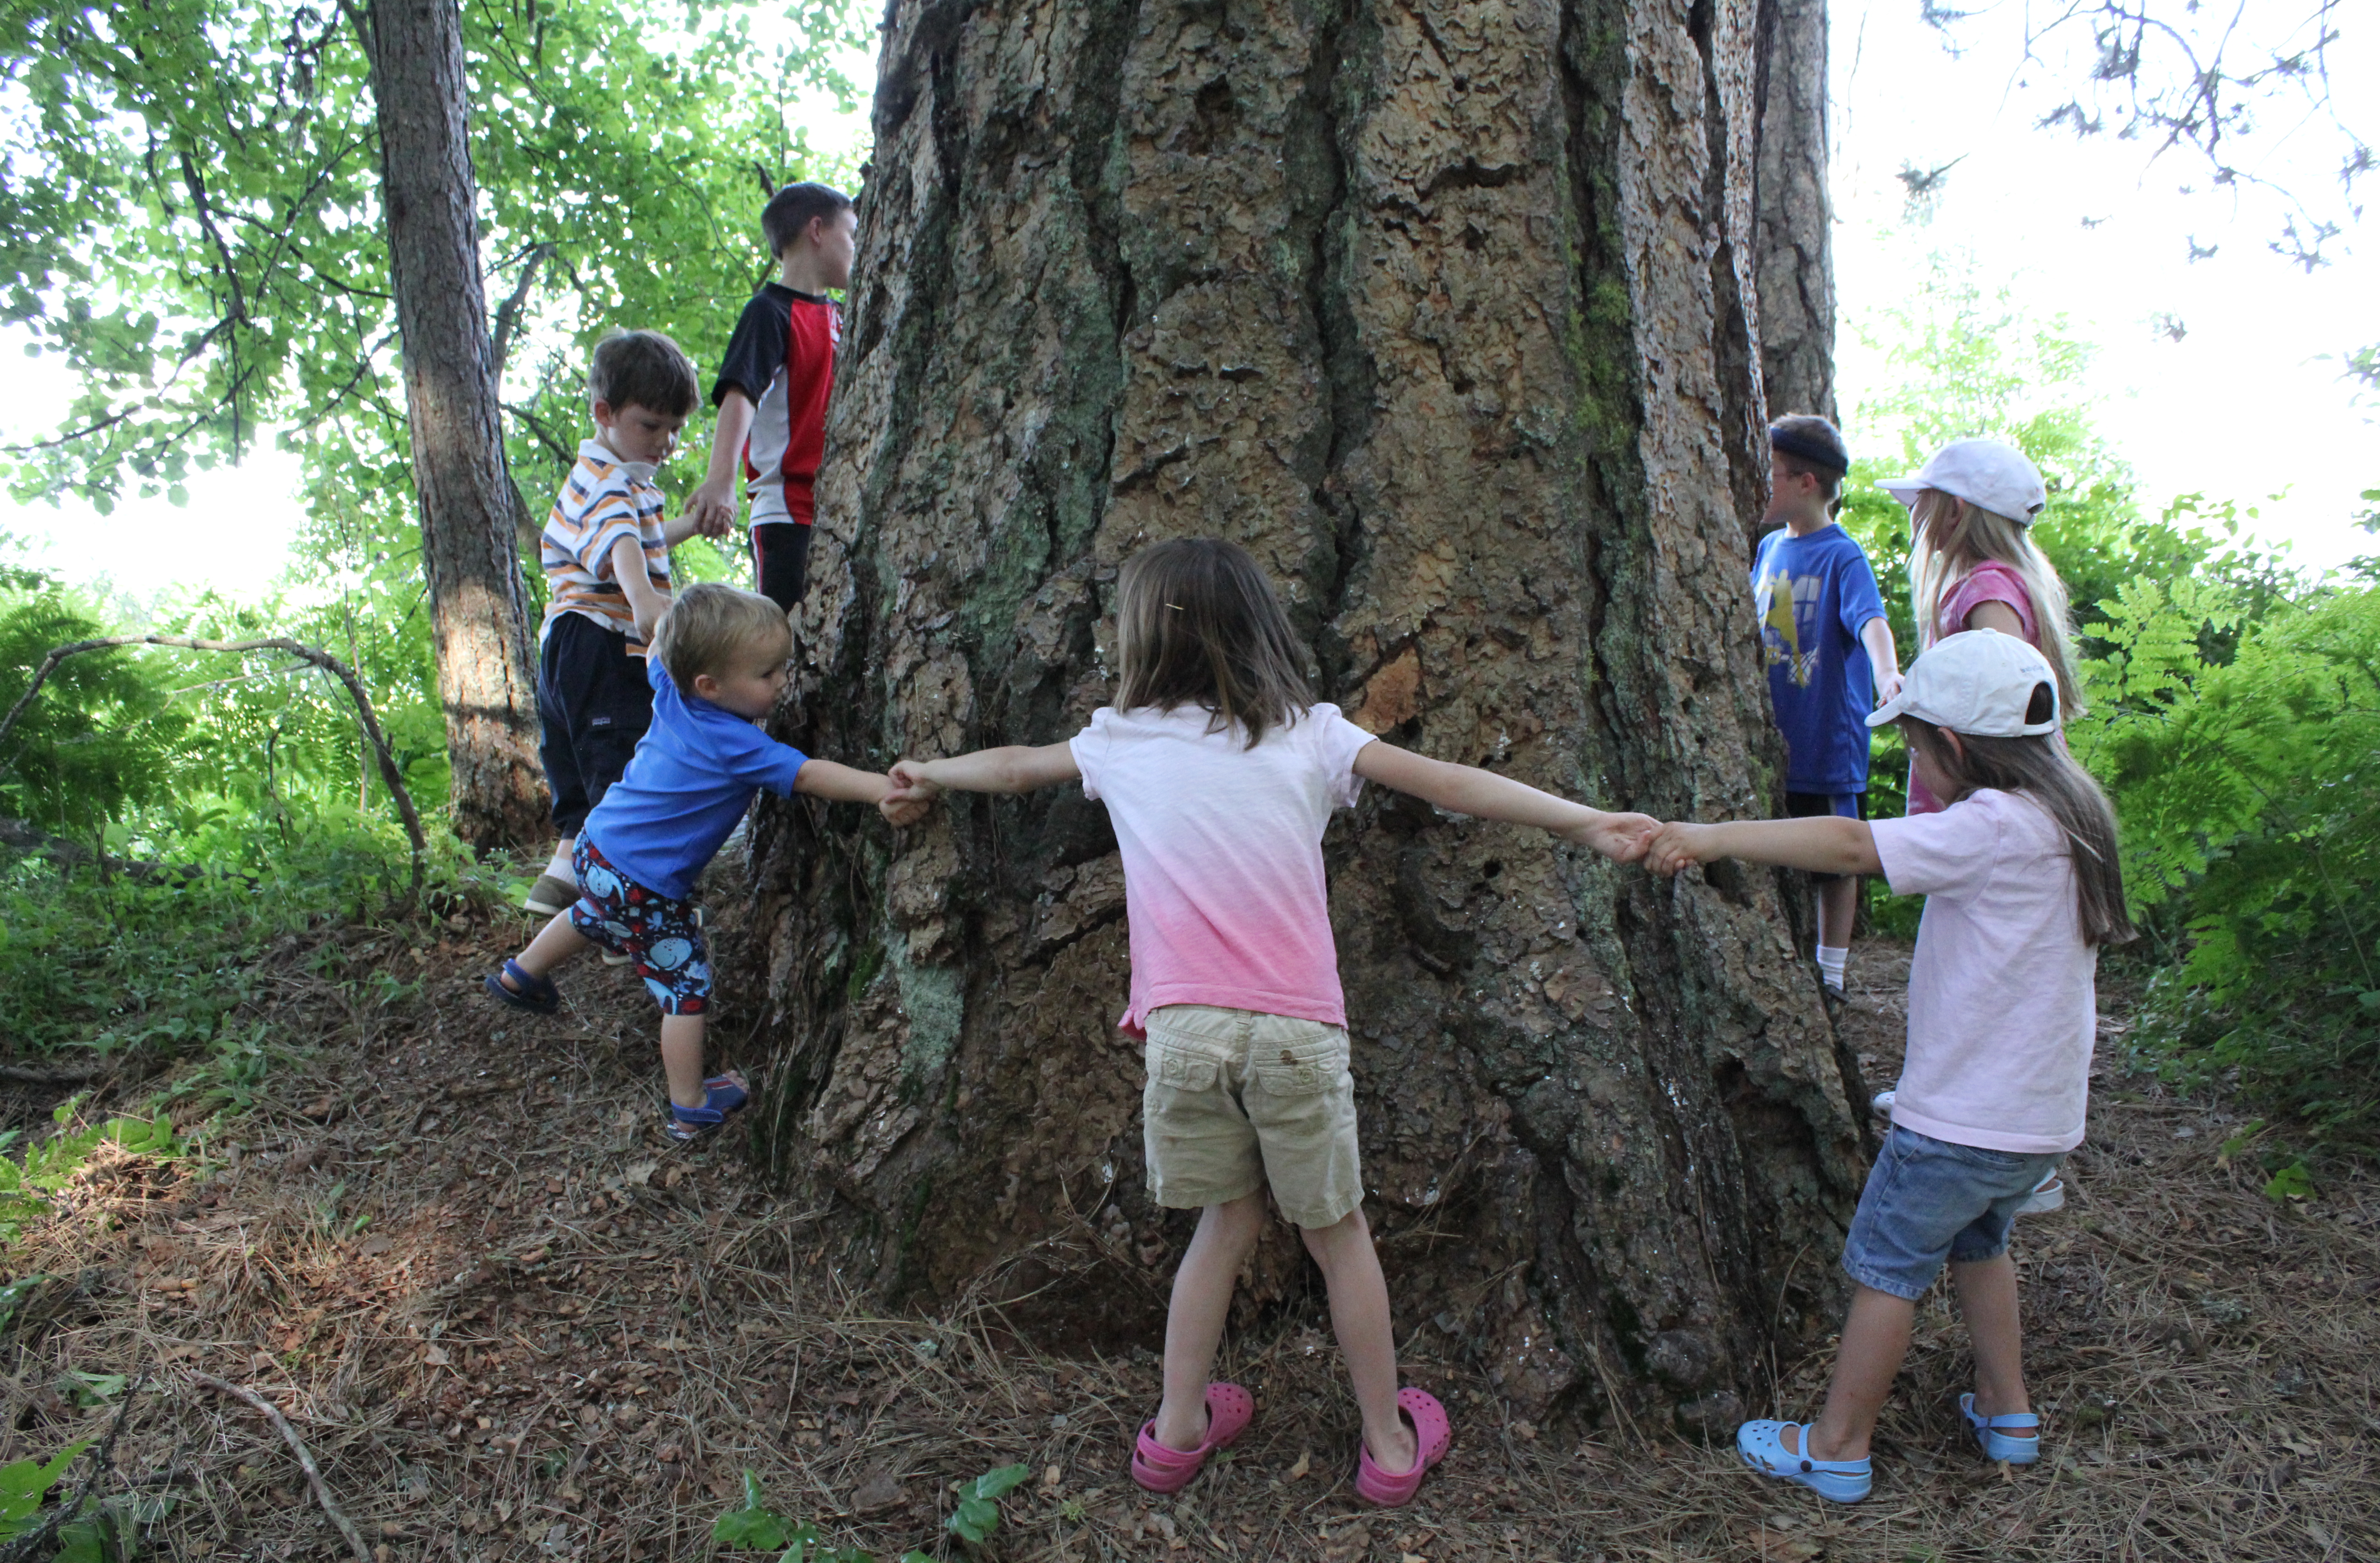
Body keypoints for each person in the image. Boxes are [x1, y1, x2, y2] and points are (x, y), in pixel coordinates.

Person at [882, 538, 1660, 1507]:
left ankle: (1175, 1433)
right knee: (1339, 1235)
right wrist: (1582, 820)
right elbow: (1447, 782)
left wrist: (927, 772)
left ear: (1138, 638)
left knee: (1224, 1223)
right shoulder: (1312, 733)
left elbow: (1009, 770)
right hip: (1295, 1033)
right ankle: (1385, 1443)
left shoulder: (1120, 740)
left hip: (1184, 1035)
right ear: (1260, 627)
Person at [1643, 629, 2135, 1503]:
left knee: (1884, 1268)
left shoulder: (1985, 827)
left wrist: (1712, 835)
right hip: (2031, 1127)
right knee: (1982, 1245)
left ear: (1950, 746)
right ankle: (2006, 1408)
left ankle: (1835, 1443)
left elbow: (1848, 847)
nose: (1914, 766)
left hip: (1954, 1122)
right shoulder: (2069, 821)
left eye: (1913, 748)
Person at [488, 583, 923, 1141]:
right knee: (685, 989)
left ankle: (520, 974)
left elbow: (656, 655)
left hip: (597, 848)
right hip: (643, 883)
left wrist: (669, 626)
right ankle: (690, 1104)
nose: (783, 682)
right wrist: (879, 790)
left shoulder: (670, 690)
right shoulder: (734, 742)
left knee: (595, 915)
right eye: (767, 675)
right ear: (710, 685)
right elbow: (809, 773)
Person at [524, 331, 716, 919]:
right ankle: (625, 914)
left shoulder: (601, 475)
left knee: (581, 779)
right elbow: (623, 541)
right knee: (621, 768)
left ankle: (558, 883)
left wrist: (691, 525)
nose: (665, 442)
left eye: (675, 429)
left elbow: (640, 536)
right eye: (652, 426)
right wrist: (644, 602)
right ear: (605, 414)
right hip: (603, 644)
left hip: (565, 646)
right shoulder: (611, 481)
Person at [1753, 415, 1902, 1001]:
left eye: (1769, 475)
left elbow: (1871, 620)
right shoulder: (1768, 549)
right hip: (1772, 736)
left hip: (1824, 738)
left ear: (1807, 482)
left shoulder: (1843, 557)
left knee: (1834, 857)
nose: (1758, 485)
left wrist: (1888, 674)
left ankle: (1832, 972)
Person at [1878, 436, 2084, 816]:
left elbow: (2000, 707)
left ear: (1954, 511)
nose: (1913, 513)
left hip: (1983, 802)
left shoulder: (1987, 590)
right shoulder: (1994, 584)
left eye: (1921, 500)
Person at [687, 181, 857, 613]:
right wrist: (721, 480)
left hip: (844, 512)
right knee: (786, 642)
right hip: (787, 514)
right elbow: (741, 391)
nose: (859, 248)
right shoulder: (770, 311)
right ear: (816, 230)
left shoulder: (846, 317)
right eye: (852, 235)